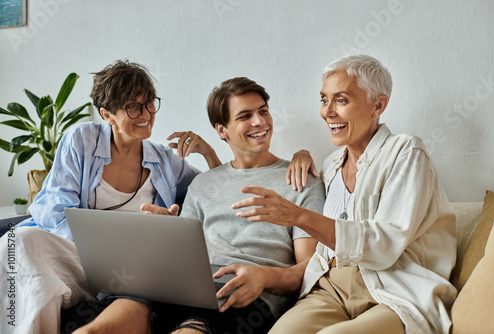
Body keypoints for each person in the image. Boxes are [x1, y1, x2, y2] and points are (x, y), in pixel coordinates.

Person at [232, 55, 457, 333]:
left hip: (391, 291)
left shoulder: (406, 152)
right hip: (329, 289)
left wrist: (299, 216)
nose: (327, 112)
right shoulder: (330, 164)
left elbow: (383, 244)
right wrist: (301, 155)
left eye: (341, 100)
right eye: (324, 100)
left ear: (378, 105)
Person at [82, 77, 326, 333]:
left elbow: (310, 269)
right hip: (181, 286)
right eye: (245, 116)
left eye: (263, 111)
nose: (260, 122)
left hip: (243, 295)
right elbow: (184, 255)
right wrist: (165, 230)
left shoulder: (300, 180)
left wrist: (265, 276)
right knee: (92, 331)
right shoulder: (202, 184)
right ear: (222, 130)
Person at [0, 60, 221, 334]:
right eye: (133, 106)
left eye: (150, 102)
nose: (146, 113)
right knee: (17, 241)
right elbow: (54, 210)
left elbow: (212, 195)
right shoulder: (81, 140)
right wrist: (98, 249)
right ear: (107, 114)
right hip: (79, 255)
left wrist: (209, 153)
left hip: (136, 267)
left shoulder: (164, 160)